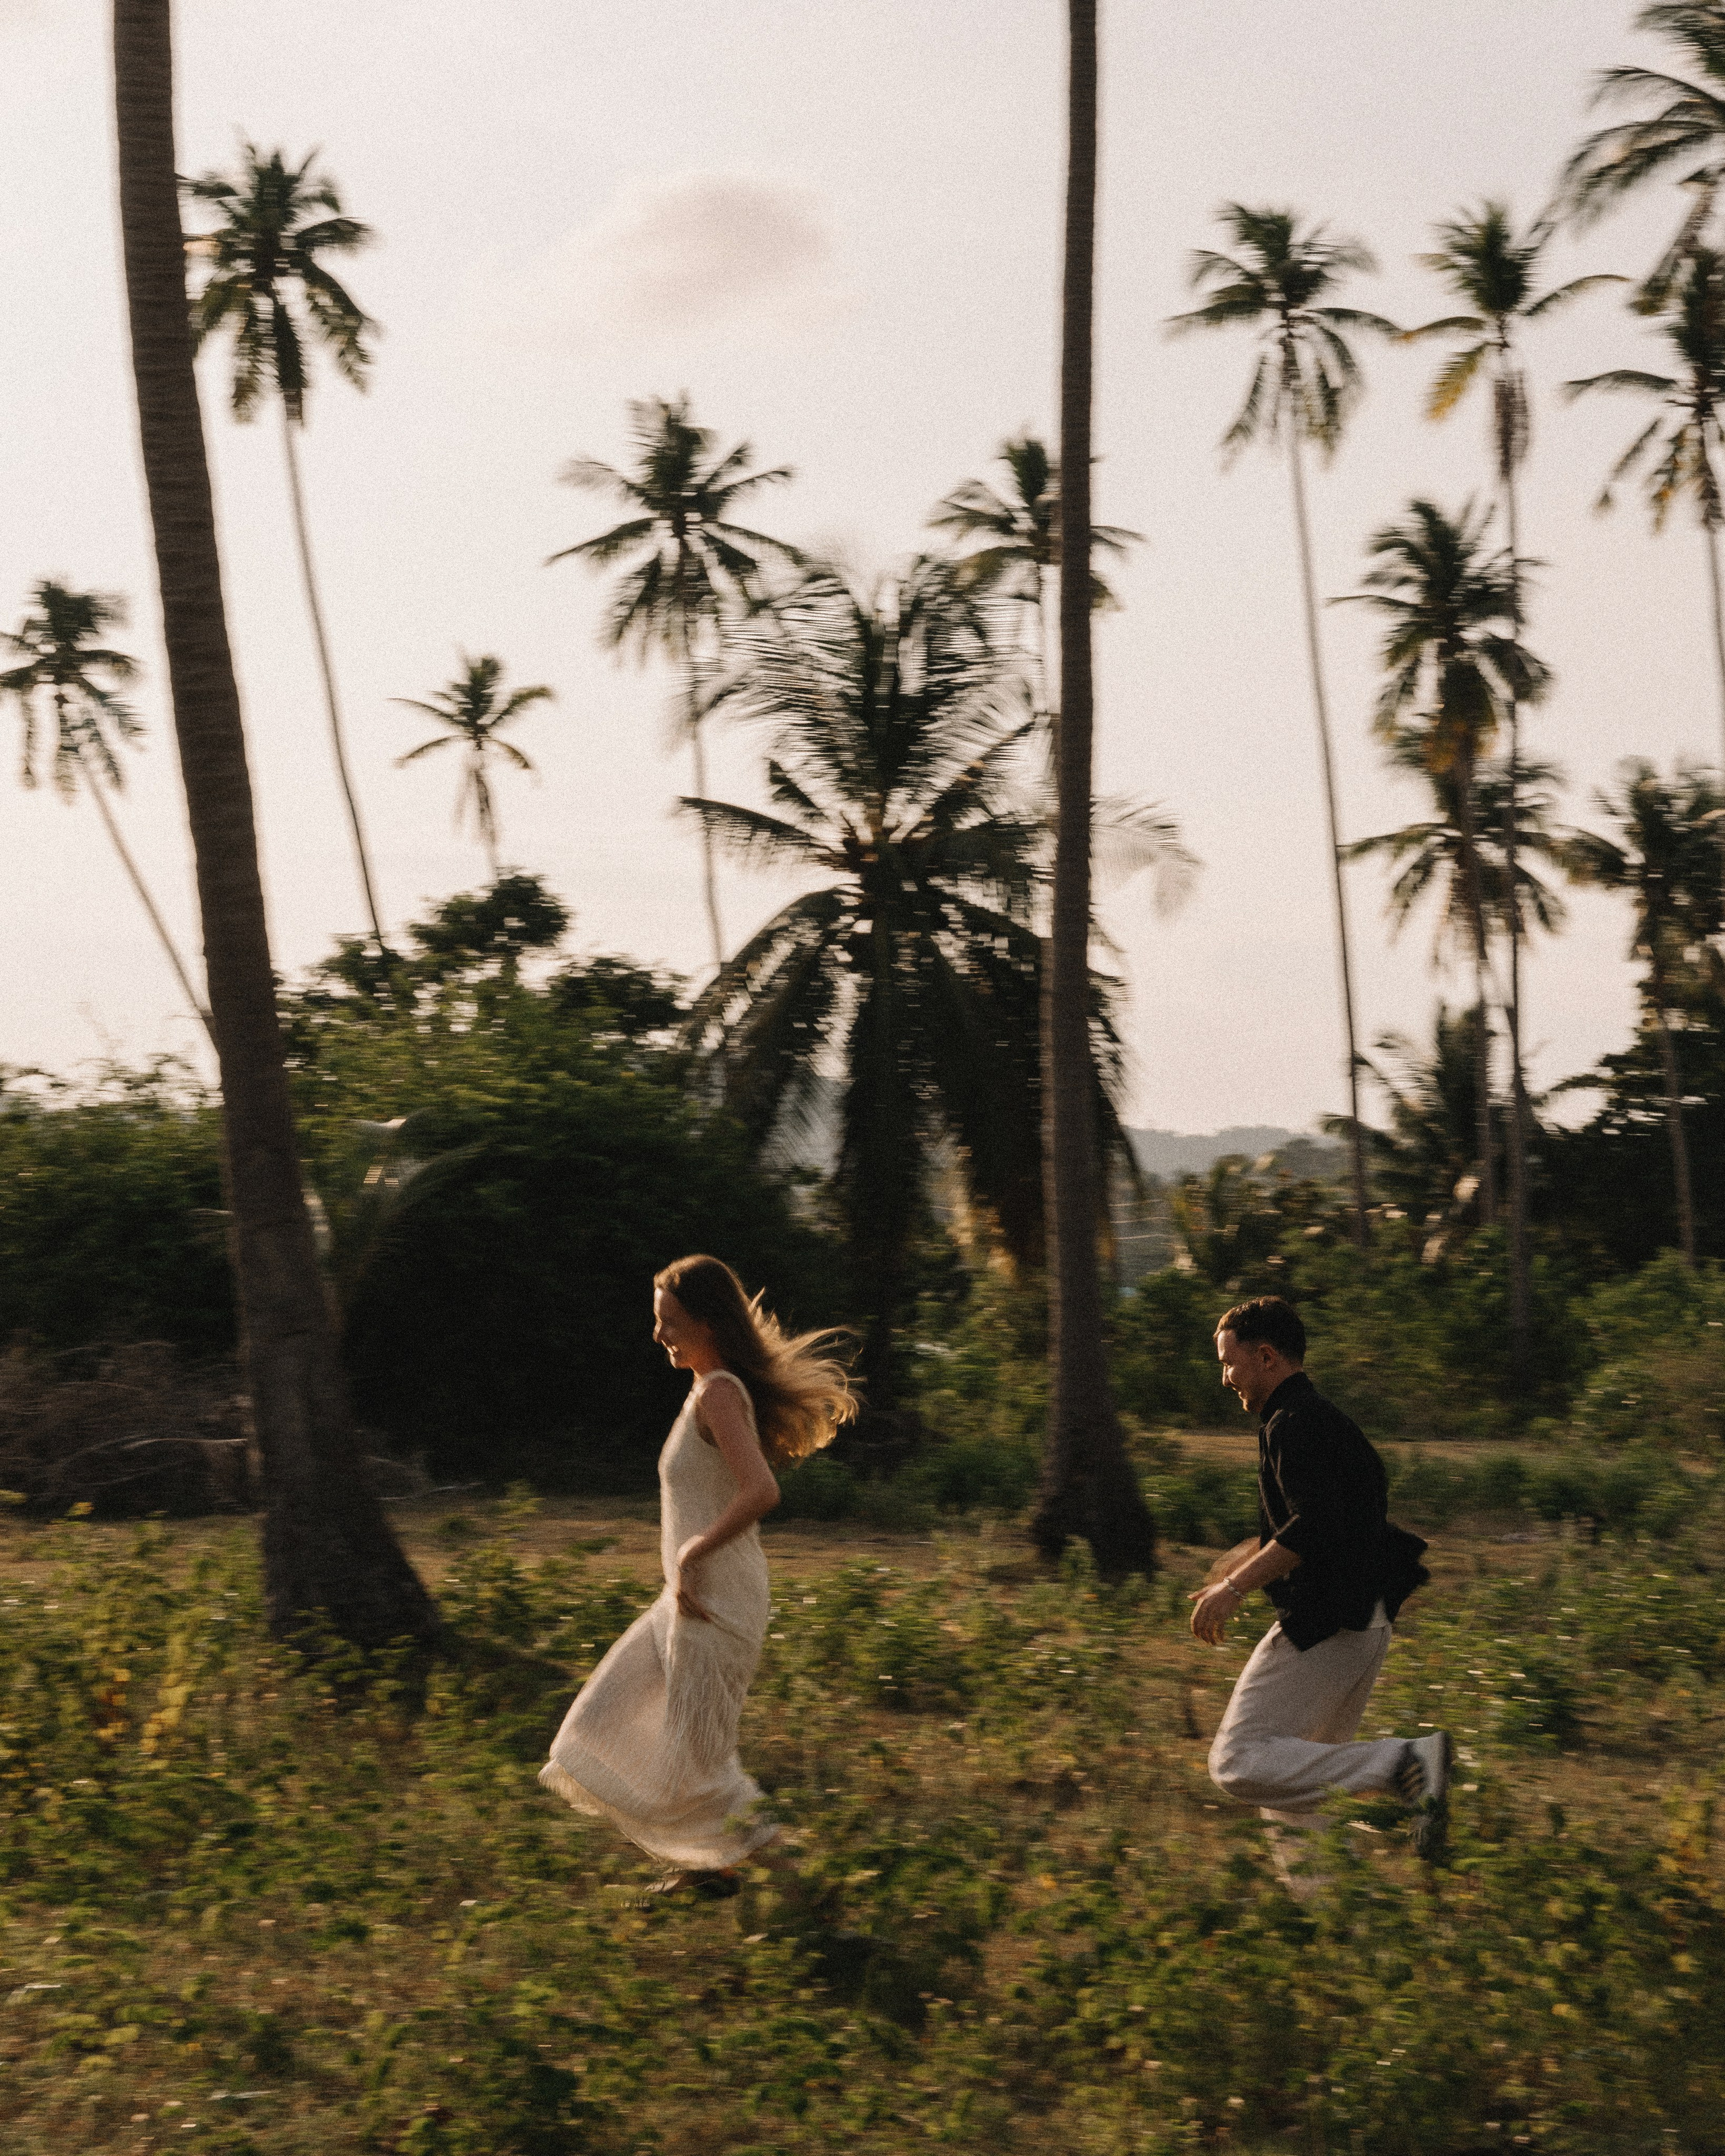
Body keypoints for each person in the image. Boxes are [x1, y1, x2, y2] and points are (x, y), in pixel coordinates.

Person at [540, 1255, 856, 1899]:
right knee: (590, 1731)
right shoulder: (704, 1391)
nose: (659, 1335)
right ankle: (708, 1868)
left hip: (717, 1604)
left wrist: (693, 1554)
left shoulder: (719, 1393)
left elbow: (761, 1490)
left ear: (708, 1324)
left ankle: (808, 1902)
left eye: (670, 1322)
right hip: (683, 1603)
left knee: (706, 1768)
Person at [1189, 1295, 1447, 1886]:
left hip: (1327, 1623)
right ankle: (1340, 1919)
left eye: (1230, 1363)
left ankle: (1404, 1763)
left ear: (1267, 1356)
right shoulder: (1316, 1420)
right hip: (1363, 1623)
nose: (1225, 1378)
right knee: (1293, 1780)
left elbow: (1315, 1525)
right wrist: (1249, 1557)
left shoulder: (1295, 1424)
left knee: (1239, 1761)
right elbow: (1333, 1519)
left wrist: (1233, 1587)